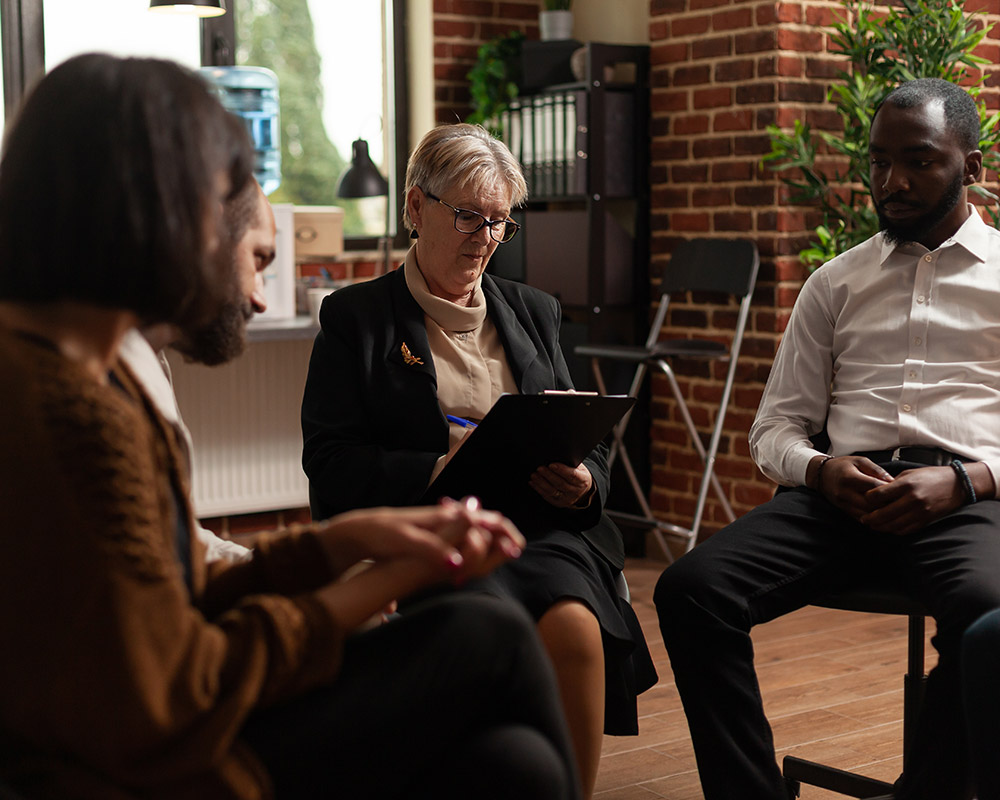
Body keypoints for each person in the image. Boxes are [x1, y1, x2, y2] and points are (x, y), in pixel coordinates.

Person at [0, 54, 581, 800]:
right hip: (164, 759)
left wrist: (346, 542)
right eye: (223, 212)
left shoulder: (100, 374)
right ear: (154, 211)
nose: (250, 271)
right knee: (486, 636)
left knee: (513, 765)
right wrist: (393, 578)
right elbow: (174, 696)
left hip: (173, 717)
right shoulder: (65, 409)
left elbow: (175, 585)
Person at [653, 77, 1000, 800]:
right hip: (843, 494)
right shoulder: (836, 283)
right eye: (877, 161)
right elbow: (774, 428)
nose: (891, 181)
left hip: (966, 497)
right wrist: (819, 472)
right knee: (692, 589)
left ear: (971, 167)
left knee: (989, 618)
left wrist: (966, 480)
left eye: (918, 160)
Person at [301, 122, 656, 798]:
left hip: (537, 526)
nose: (486, 238)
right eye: (468, 215)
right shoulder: (358, 319)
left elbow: (592, 441)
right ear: (415, 208)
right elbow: (331, 461)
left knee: (578, 628)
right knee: (493, 629)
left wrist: (582, 483)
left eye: (500, 222)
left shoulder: (534, 311)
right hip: (434, 532)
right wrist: (438, 466)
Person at [118, 176, 277, 564]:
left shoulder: (147, 360)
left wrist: (319, 565)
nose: (260, 299)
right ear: (208, 236)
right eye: (258, 258)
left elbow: (180, 545)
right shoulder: (100, 384)